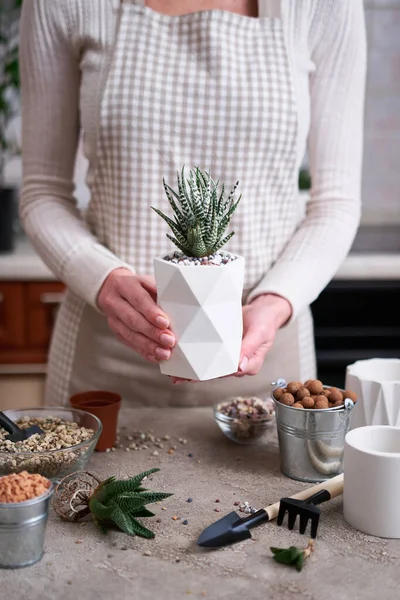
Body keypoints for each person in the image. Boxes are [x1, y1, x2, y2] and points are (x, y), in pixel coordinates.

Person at [19, 0, 366, 406]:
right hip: (109, 367)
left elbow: (336, 202)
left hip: (266, 364)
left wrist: (276, 301)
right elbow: (43, 192)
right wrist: (105, 281)